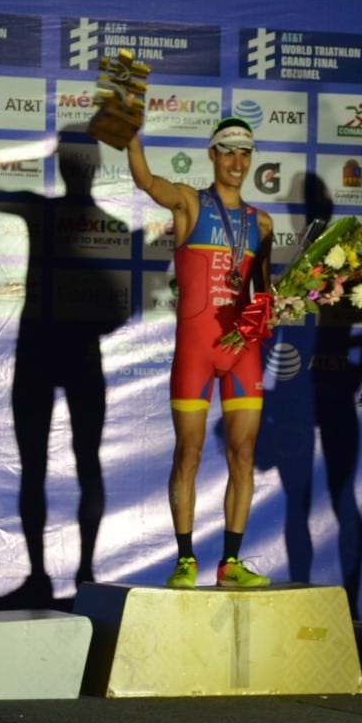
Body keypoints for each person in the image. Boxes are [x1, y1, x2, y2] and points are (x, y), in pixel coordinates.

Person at [126, 117, 274, 589]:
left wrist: (276, 308)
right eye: (229, 152)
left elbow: (263, 292)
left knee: (243, 454)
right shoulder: (190, 203)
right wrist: (130, 138)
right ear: (212, 154)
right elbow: (146, 181)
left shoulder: (262, 223)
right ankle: (185, 559)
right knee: (188, 454)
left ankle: (230, 562)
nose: (238, 162)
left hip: (242, 352)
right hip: (196, 351)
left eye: (245, 153)